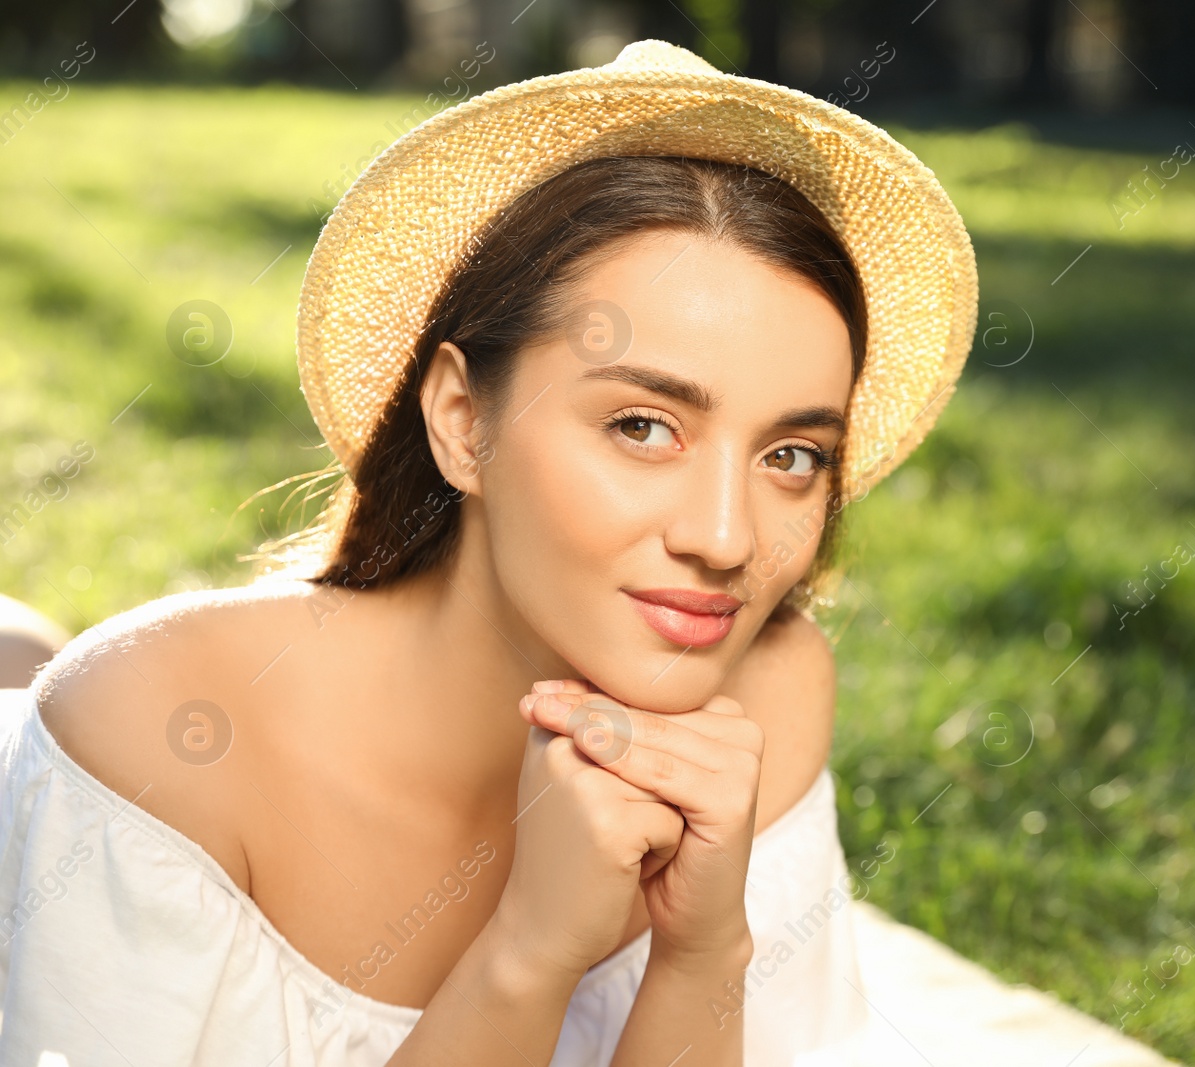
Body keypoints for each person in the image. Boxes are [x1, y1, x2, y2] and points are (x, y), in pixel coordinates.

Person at [0, 39, 978, 1067]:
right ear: (464, 419)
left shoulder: (764, 698)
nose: (727, 538)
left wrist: (703, 956)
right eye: (643, 426)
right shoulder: (152, 729)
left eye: (790, 454)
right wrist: (527, 952)